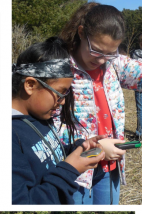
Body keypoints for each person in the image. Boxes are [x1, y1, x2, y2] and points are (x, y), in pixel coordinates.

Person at [56, 3, 142, 205]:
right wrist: (96, 146)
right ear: (81, 33)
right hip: (74, 172)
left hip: (108, 167)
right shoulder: (59, 67)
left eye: (111, 53)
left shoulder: (113, 64)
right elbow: (48, 123)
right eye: (97, 50)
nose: (103, 60)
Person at [12, 37, 106, 204]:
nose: (62, 101)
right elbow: (24, 203)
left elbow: (46, 156)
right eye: (60, 93)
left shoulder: (40, 117)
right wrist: (70, 170)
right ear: (30, 85)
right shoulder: (11, 136)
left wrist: (78, 148)